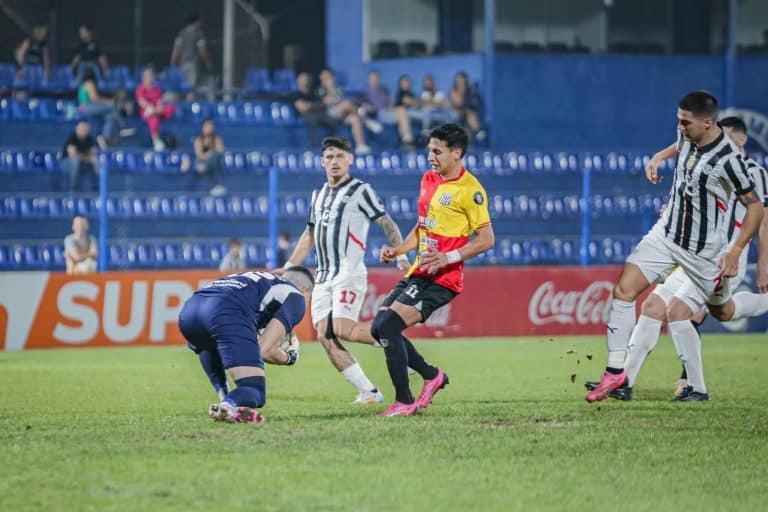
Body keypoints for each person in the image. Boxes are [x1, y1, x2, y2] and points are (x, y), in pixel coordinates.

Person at [585, 91, 764, 403]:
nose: (680, 127)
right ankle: (619, 376)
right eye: (679, 120)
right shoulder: (688, 135)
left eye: (685, 122)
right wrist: (658, 157)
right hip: (668, 238)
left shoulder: (734, 163)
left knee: (723, 310)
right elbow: (679, 146)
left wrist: (738, 252)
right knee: (637, 297)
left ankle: (695, 385)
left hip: (707, 253)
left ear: (709, 124)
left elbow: (757, 209)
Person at [371, 123, 495, 416]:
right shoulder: (428, 179)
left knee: (389, 326)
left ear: (457, 153)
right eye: (429, 151)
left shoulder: (471, 191)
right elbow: (424, 224)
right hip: (419, 270)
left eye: (437, 152)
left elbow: (487, 240)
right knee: (379, 327)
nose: (430, 157)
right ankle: (431, 375)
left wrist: (448, 258)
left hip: (443, 279)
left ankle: (405, 401)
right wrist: (399, 249)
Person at [279, 136, 411, 404]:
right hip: (323, 278)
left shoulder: (361, 190)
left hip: (348, 273)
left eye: (340, 156)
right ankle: (369, 392)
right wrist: (290, 266)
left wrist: (401, 255)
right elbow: (308, 234)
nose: (335, 162)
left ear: (350, 159)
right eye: (329, 157)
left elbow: (387, 223)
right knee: (325, 336)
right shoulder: (318, 195)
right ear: (322, 162)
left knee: (341, 328)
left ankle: (405, 353)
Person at [178, 267, 314, 423]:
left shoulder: (260, 280)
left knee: (207, 344)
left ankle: (226, 400)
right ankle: (229, 404)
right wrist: (289, 358)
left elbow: (206, 347)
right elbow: (266, 350)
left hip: (190, 309)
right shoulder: (296, 294)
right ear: (305, 289)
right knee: (254, 390)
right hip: (226, 311)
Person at [318, 68, 371, 154]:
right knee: (346, 104)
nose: (327, 79)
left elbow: (340, 99)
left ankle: (360, 145)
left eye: (329, 77)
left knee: (355, 119)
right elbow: (327, 101)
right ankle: (366, 119)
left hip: (342, 114)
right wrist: (329, 89)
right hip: (328, 114)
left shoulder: (338, 88)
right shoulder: (320, 90)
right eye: (324, 77)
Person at [78, 68, 133, 149]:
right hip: (87, 107)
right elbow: (94, 98)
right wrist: (109, 101)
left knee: (110, 114)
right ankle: (122, 127)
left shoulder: (83, 84)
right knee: (113, 106)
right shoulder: (89, 83)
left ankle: (105, 137)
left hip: (85, 107)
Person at [359, 71, 414, 148]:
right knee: (401, 111)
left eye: (376, 78)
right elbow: (361, 106)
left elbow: (389, 103)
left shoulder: (384, 90)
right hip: (377, 114)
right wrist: (367, 107)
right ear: (369, 79)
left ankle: (406, 140)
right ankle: (407, 139)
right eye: (373, 78)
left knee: (401, 110)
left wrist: (393, 107)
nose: (375, 80)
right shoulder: (366, 93)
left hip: (387, 112)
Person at [291, 72, 338, 147]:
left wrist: (309, 105)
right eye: (302, 79)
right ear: (298, 81)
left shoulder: (313, 93)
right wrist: (313, 105)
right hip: (305, 115)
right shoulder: (296, 94)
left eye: (306, 79)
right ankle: (312, 147)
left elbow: (322, 104)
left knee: (333, 121)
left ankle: (332, 145)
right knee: (313, 120)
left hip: (319, 113)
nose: (305, 81)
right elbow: (302, 108)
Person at [135, 68, 176, 151]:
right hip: (146, 111)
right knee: (154, 119)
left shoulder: (156, 89)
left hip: (156, 110)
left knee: (171, 107)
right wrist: (152, 108)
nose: (150, 78)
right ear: (144, 78)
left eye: (151, 76)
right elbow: (141, 102)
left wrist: (158, 108)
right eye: (148, 76)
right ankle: (156, 141)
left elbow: (159, 101)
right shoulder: (140, 88)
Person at [170, 13, 212, 91]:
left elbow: (176, 50)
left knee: (183, 86)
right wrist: (207, 62)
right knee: (191, 88)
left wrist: (173, 63)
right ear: (196, 22)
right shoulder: (199, 34)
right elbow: (202, 50)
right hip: (193, 64)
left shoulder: (181, 33)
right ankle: (189, 103)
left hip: (182, 64)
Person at [184, 119, 226, 196]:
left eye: (210, 126)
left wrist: (211, 154)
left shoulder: (217, 138)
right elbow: (199, 154)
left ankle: (206, 170)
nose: (209, 128)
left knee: (215, 157)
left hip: (213, 162)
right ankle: (215, 185)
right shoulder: (198, 140)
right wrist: (209, 154)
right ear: (203, 127)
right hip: (202, 161)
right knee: (210, 159)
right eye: (207, 126)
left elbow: (220, 151)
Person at [61, 120, 98, 192]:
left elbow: (93, 152)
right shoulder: (72, 137)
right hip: (66, 162)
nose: (84, 130)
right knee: (75, 161)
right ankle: (74, 188)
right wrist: (86, 157)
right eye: (82, 128)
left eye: (85, 129)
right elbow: (72, 154)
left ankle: (96, 187)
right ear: (77, 129)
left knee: (95, 160)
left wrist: (85, 157)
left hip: (83, 161)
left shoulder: (89, 138)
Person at [450, 72, 485, 142]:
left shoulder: (471, 91)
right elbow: (456, 104)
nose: (460, 82)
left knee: (470, 115)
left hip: (467, 114)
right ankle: (478, 132)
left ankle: (476, 132)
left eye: (461, 81)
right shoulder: (454, 91)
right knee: (468, 114)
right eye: (458, 80)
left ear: (465, 81)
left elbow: (473, 104)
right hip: (455, 113)